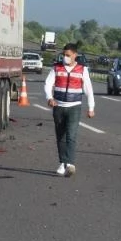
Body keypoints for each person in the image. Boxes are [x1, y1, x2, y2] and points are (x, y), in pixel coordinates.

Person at [43, 43, 95, 177]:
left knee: (71, 135)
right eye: (64, 55)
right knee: (60, 136)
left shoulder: (82, 70)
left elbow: (89, 89)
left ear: (75, 55)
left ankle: (70, 163)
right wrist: (49, 98)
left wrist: (91, 107)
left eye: (68, 55)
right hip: (58, 106)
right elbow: (48, 84)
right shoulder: (56, 68)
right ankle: (63, 163)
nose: (65, 57)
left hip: (74, 107)